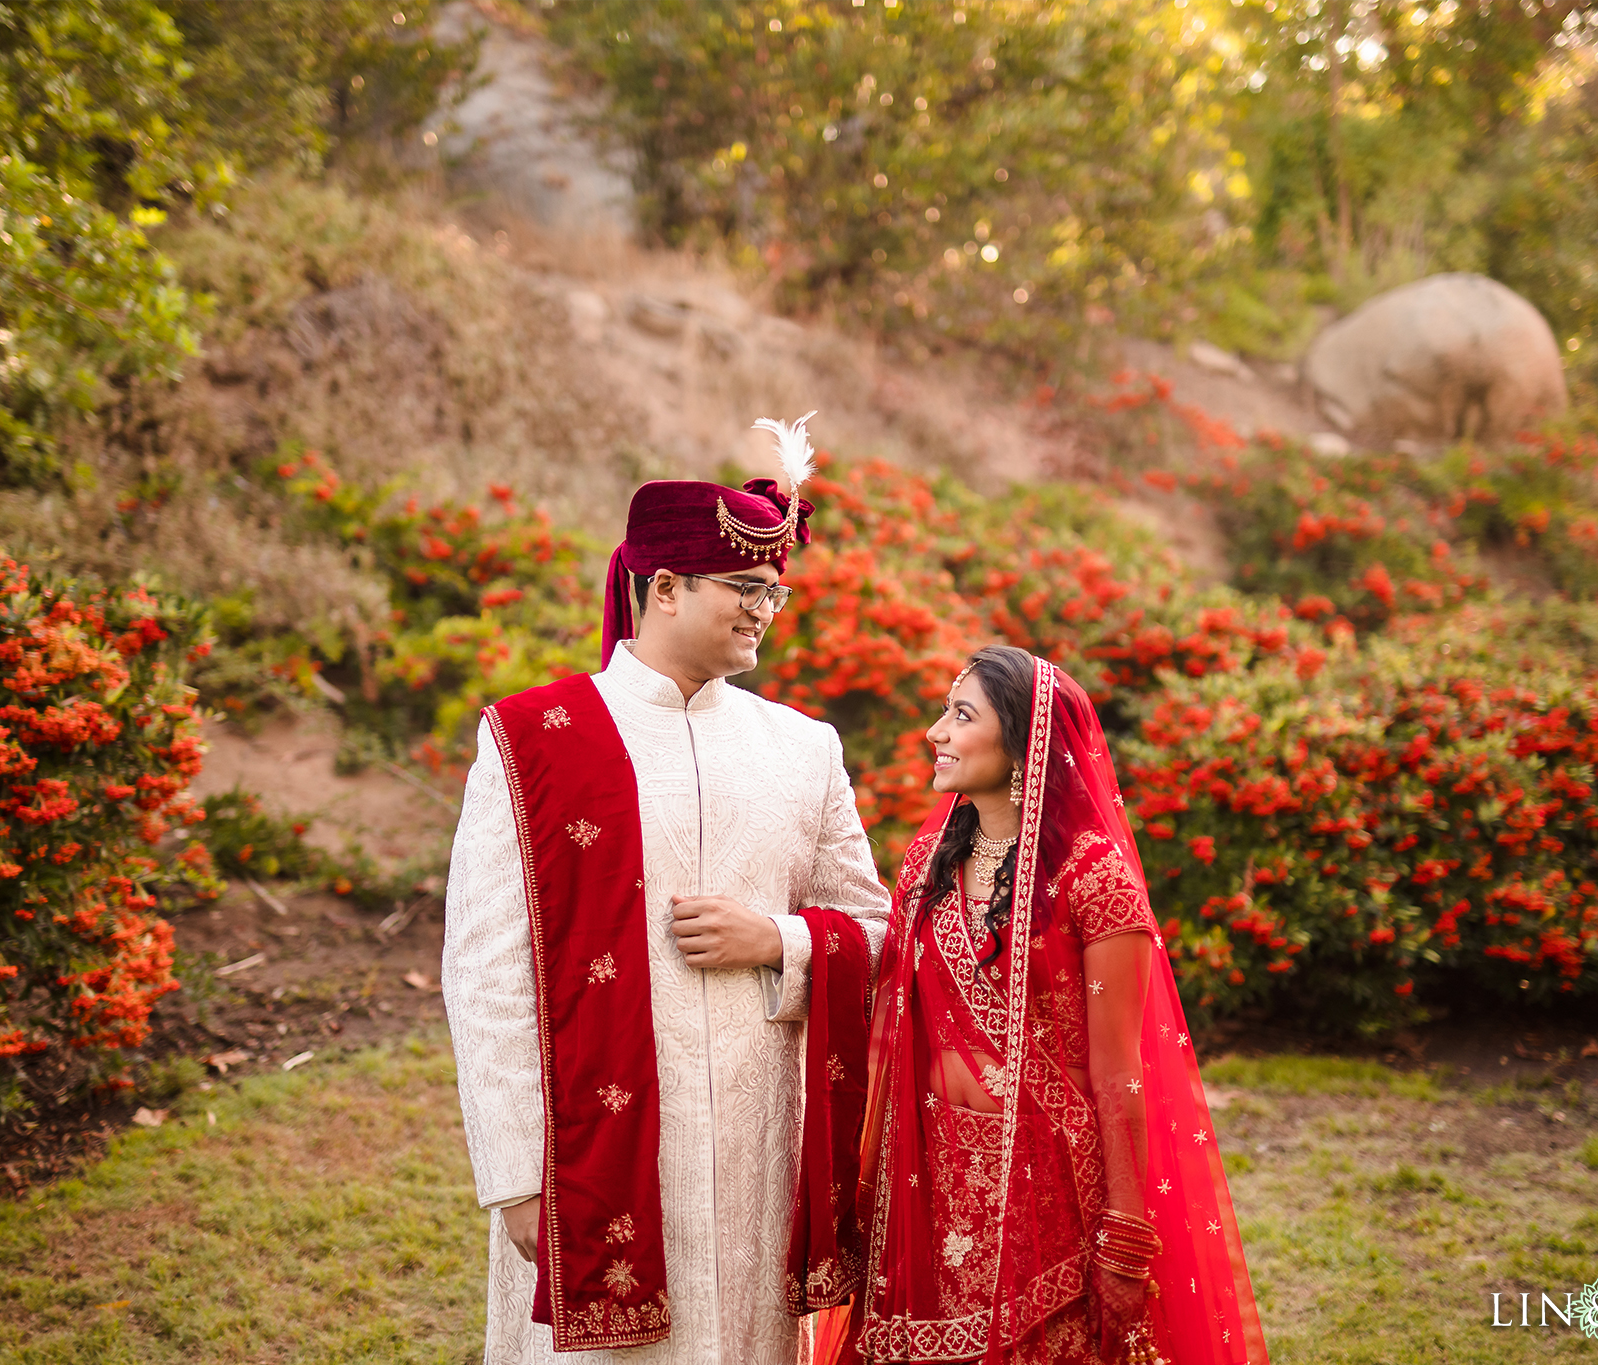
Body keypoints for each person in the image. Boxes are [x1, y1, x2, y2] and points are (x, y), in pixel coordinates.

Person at [443, 414, 891, 1365]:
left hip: (760, 1144)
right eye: (747, 588)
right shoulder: (533, 739)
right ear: (664, 587)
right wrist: (519, 1176)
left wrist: (779, 939)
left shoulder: (801, 748)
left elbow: (878, 930)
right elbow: (484, 969)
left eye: (777, 592)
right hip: (592, 1154)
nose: (767, 608)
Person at [836, 645, 1267, 1365]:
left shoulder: (1093, 877)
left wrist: (1125, 1232)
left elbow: (1120, 1073)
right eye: (944, 710)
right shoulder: (929, 862)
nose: (935, 732)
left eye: (961, 714)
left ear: (1021, 741)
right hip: (928, 1183)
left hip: (1047, 1196)